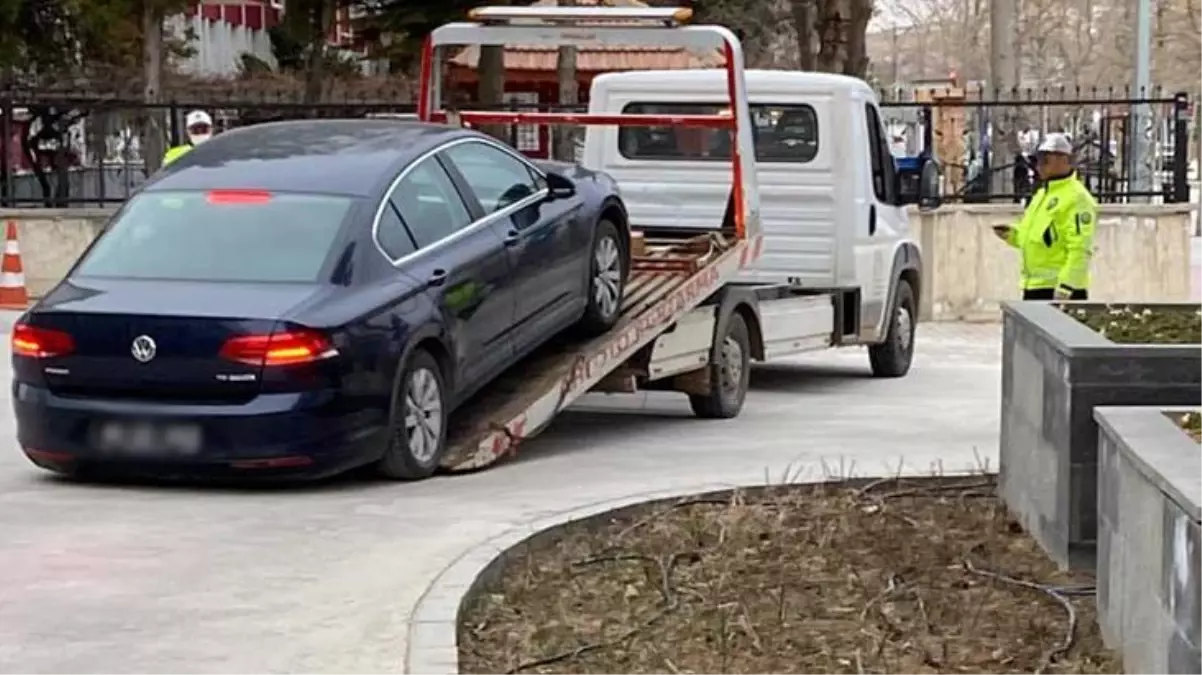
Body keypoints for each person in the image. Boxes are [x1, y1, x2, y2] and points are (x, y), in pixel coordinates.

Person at [992, 132, 1098, 300]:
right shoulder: (1042, 194)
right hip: (1034, 286)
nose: (1039, 166)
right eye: (1036, 161)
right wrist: (1013, 235)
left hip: (1059, 289)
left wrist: (1067, 285)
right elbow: (1039, 238)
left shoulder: (1077, 198)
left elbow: (1080, 247)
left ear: (1063, 159)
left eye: (1044, 160)